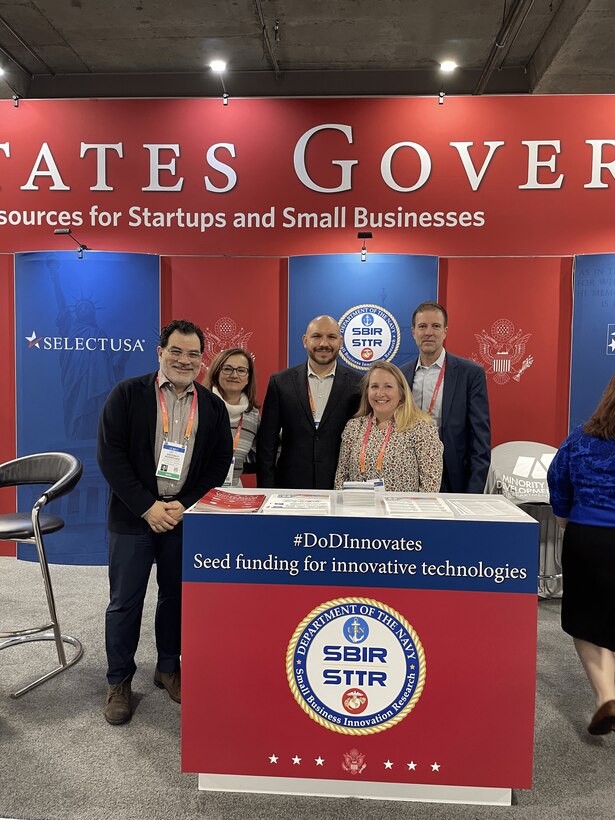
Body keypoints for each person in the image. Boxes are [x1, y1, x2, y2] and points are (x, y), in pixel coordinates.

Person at [97, 319, 233, 725]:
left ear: (201, 360)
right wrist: (147, 507)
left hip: (182, 517)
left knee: (176, 597)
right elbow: (111, 456)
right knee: (125, 601)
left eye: (193, 354)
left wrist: (184, 504)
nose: (184, 360)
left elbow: (216, 465)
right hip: (133, 516)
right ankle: (119, 680)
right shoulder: (127, 394)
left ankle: (168, 668)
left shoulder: (211, 406)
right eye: (176, 351)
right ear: (160, 352)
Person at [547, 375, 615, 735]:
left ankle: (606, 695)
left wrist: (564, 517)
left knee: (588, 621)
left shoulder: (581, 438)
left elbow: (558, 479)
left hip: (588, 537)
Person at [257, 315, 361, 489]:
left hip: (340, 487)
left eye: (331, 337)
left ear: (340, 342)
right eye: (317, 336)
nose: (324, 343)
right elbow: (267, 443)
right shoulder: (280, 382)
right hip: (289, 487)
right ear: (305, 341)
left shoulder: (358, 384)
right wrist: (266, 489)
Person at [400, 301, 491, 493]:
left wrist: (474, 494)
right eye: (422, 326)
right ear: (413, 332)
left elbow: (480, 439)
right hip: (407, 472)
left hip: (452, 475)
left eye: (436, 326)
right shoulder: (401, 374)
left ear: (445, 331)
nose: (429, 332)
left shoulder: (470, 373)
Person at [334, 361, 443, 492]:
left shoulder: (422, 430)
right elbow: (341, 479)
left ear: (401, 393)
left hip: (402, 511)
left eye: (388, 386)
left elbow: (430, 488)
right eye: (374, 386)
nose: (380, 393)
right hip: (358, 510)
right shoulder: (354, 427)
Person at [203, 347, 260, 486]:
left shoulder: (252, 416)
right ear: (216, 373)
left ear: (248, 378)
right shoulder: (201, 407)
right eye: (227, 369)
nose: (234, 375)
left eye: (241, 370)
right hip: (197, 495)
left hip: (233, 494)